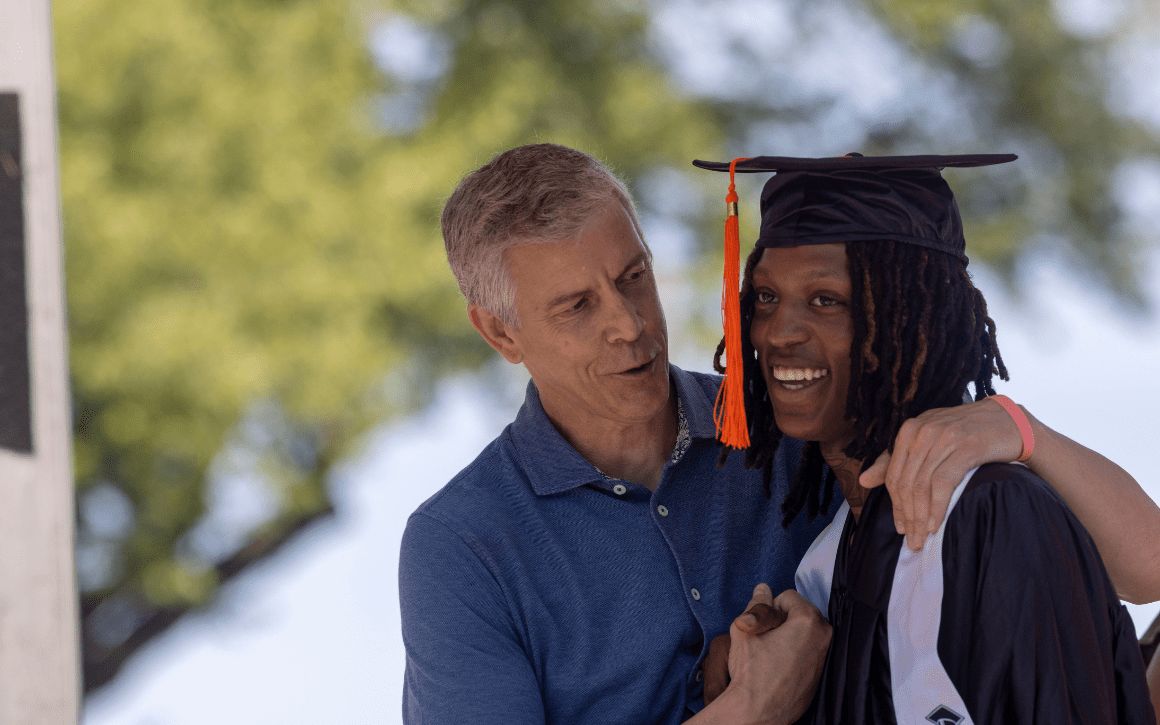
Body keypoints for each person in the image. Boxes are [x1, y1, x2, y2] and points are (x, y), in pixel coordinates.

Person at [399, 143, 1160, 725]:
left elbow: (1146, 567)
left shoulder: (793, 435)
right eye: (576, 307)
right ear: (500, 331)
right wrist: (748, 711)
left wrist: (1016, 426)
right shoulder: (463, 546)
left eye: (634, 276)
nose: (628, 326)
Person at [699, 152, 1158, 723]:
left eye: (827, 301)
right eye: (765, 298)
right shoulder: (832, 555)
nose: (779, 333)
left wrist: (1020, 427)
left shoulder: (988, 514)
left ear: (911, 320)